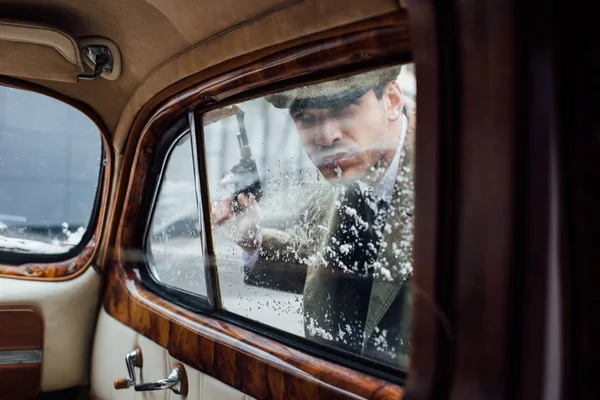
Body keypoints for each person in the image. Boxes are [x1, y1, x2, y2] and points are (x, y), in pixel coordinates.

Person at [211, 65, 415, 368]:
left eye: (345, 109)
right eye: (306, 117)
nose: (326, 137)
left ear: (393, 101)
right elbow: (335, 261)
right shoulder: (351, 169)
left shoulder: (475, 184)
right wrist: (254, 242)